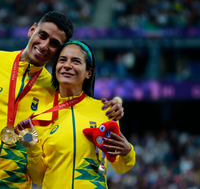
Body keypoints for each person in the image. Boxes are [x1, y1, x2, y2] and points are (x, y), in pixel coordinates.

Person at [0, 11, 124, 189]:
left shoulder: (54, 91)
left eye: (53, 43)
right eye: (42, 35)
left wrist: (115, 104)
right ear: (32, 30)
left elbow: (80, 109)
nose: (44, 46)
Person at [20, 40, 135, 188]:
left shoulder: (105, 111)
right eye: (62, 60)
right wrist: (32, 146)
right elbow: (38, 178)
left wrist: (128, 152)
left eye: (76, 61)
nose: (67, 65)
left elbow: (121, 166)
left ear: (89, 72)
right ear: (55, 67)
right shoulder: (40, 115)